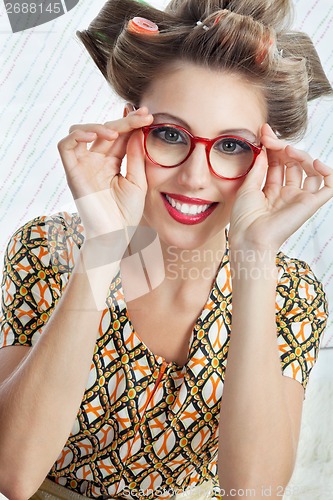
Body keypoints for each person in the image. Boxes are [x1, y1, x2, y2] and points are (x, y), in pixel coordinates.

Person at [0, 0, 332, 498]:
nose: (195, 177)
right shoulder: (46, 250)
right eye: (171, 135)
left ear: (268, 158)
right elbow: (15, 476)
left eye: (233, 146)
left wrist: (255, 257)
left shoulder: (291, 293)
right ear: (129, 125)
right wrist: (104, 245)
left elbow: (256, 492)